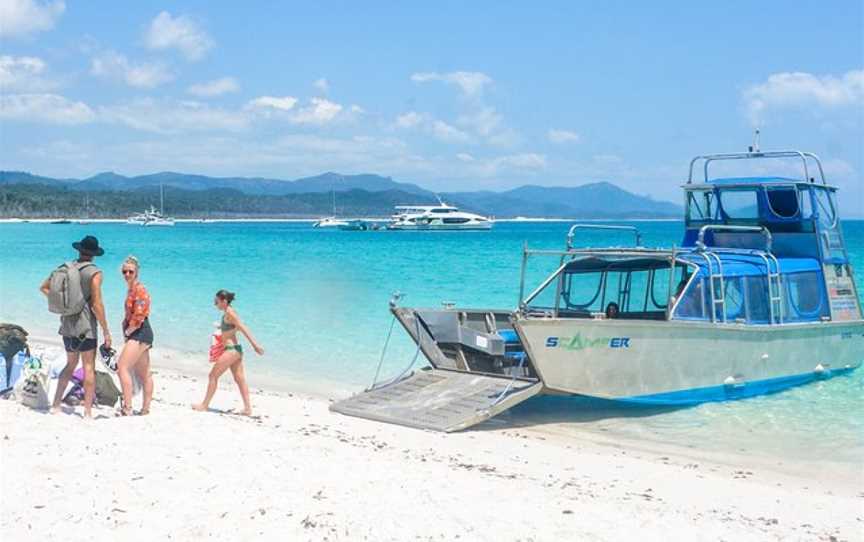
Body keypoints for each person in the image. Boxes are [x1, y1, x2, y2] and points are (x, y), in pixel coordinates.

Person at [40, 235, 111, 418]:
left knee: (70, 364)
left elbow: (44, 288)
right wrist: (105, 330)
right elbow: (97, 303)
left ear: (79, 251)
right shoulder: (94, 272)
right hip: (86, 327)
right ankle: (87, 412)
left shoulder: (65, 268)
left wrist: (64, 305)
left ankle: (56, 404)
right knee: (88, 367)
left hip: (67, 325)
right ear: (94, 254)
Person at [193, 290, 264, 415]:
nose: (215, 305)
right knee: (240, 379)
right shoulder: (228, 312)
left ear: (224, 301)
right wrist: (221, 329)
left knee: (212, 376)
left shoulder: (230, 313)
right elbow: (234, 328)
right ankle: (248, 409)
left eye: (217, 302)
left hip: (231, 351)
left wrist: (255, 345)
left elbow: (243, 328)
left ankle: (204, 405)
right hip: (235, 350)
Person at [116, 256, 154, 416]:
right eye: (124, 271)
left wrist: (127, 332)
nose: (127, 274)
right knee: (144, 373)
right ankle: (145, 409)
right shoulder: (131, 289)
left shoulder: (139, 289)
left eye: (130, 271)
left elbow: (138, 317)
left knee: (122, 367)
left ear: (136, 272)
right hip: (139, 332)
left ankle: (128, 407)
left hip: (140, 332)